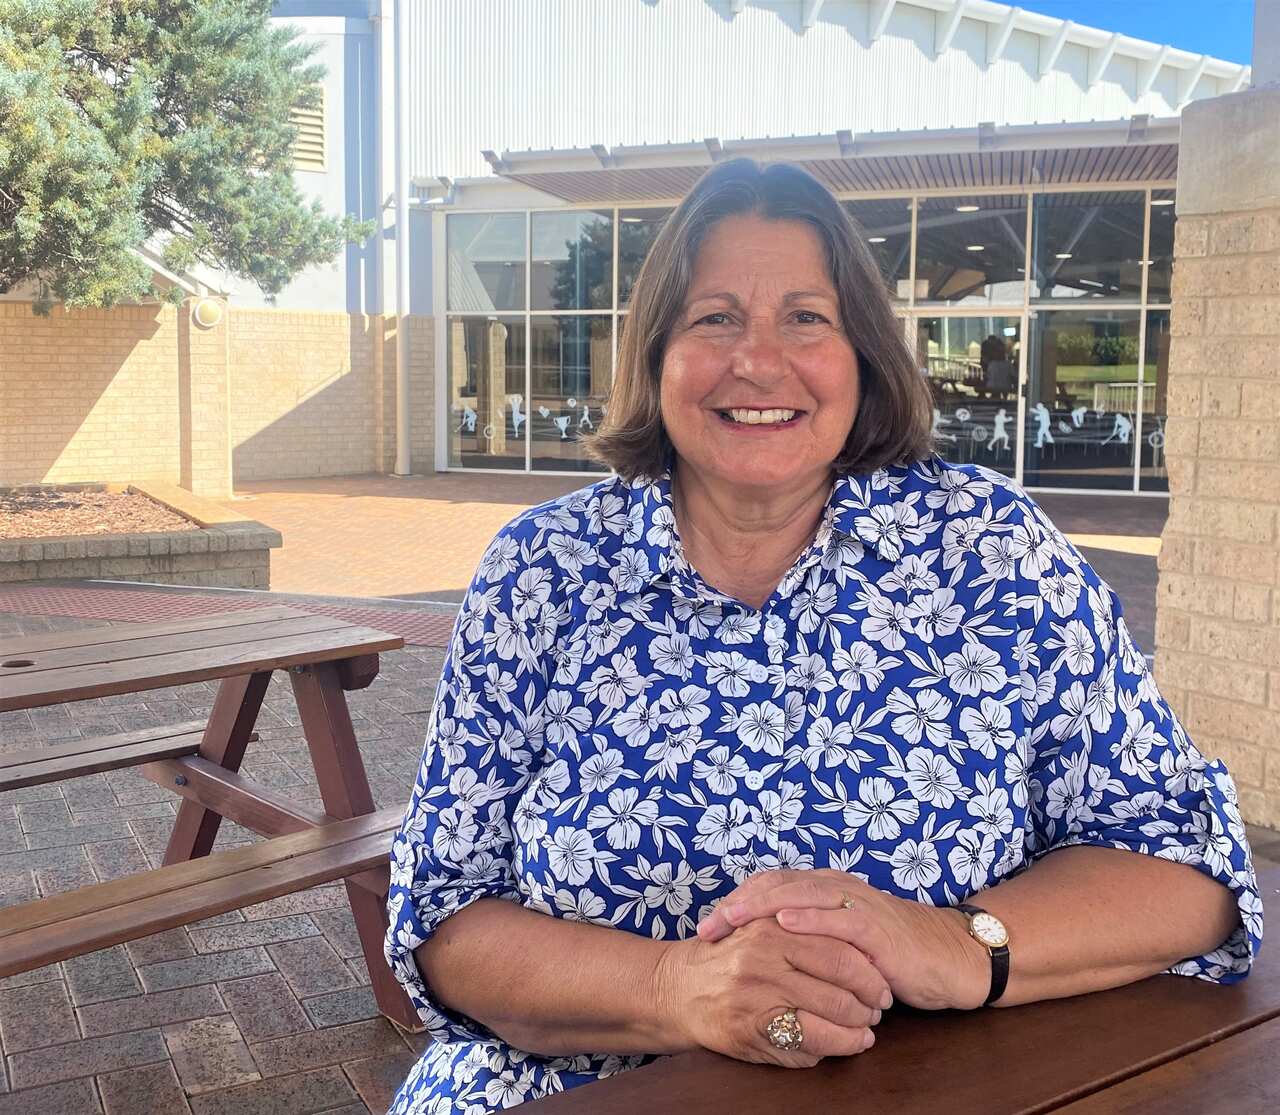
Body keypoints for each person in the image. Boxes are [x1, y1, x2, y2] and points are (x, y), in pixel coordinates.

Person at [385, 160, 1260, 1112]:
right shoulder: (543, 570)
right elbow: (443, 916)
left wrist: (964, 943)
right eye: (714, 318)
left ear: (862, 355)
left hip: (936, 1088)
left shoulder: (991, 550)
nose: (759, 362)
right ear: (656, 356)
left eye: (806, 317)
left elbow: (1187, 866)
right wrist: (675, 988)